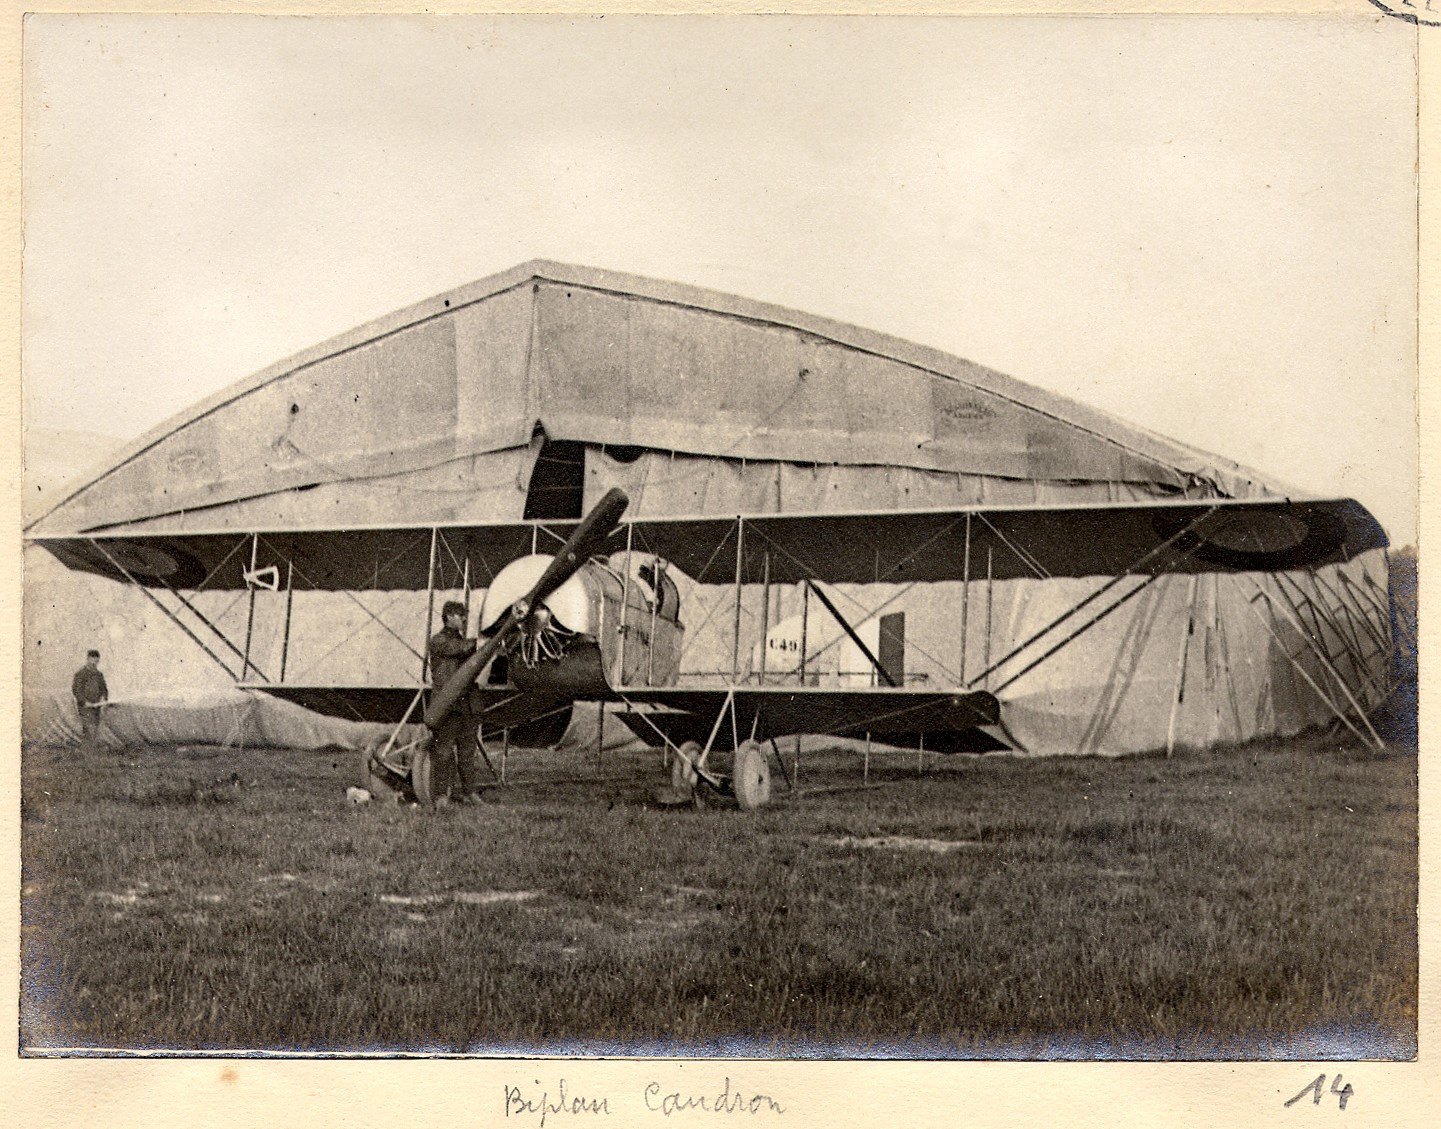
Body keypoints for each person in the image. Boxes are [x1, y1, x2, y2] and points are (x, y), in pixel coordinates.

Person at [427, 601, 485, 803]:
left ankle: (470, 793)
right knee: (443, 751)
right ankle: (441, 796)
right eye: (459, 615)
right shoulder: (438, 641)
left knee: (467, 753)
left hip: (467, 706)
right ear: (448, 616)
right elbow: (459, 648)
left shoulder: (464, 644)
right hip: (448, 707)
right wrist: (482, 642)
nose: (463, 619)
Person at [72, 649, 109, 753]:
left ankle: (90, 750)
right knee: (88, 728)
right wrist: (84, 702)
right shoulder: (80, 674)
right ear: (88, 659)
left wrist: (104, 699)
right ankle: (86, 751)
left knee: (95, 727)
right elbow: (77, 690)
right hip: (85, 707)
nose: (94, 664)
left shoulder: (99, 675)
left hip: (96, 706)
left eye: (97, 662)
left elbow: (104, 689)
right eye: (92, 661)